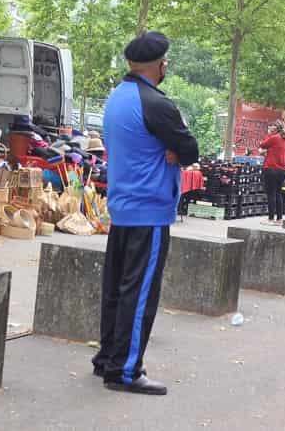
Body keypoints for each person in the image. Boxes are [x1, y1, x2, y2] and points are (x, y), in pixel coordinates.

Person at [93, 31, 199, 395]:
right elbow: (189, 149)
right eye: (165, 61)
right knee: (138, 294)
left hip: (122, 205)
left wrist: (170, 148)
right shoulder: (155, 103)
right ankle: (125, 371)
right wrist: (173, 151)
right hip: (149, 209)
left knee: (116, 290)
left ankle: (107, 358)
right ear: (159, 64)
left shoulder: (118, 96)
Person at [259, 122, 285, 222]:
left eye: (271, 126)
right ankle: (279, 218)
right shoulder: (284, 139)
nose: (269, 127)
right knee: (278, 194)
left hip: (271, 169)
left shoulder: (274, 137)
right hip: (282, 170)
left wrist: (269, 134)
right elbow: (275, 150)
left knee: (271, 194)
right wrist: (268, 152)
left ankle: (271, 218)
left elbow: (262, 145)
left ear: (275, 128)